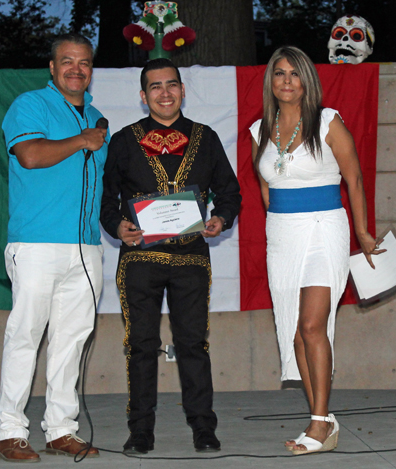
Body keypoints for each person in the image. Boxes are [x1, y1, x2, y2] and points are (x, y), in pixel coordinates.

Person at [101, 58, 241, 454]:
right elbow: (106, 200)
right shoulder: (124, 140)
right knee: (142, 345)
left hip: (192, 258)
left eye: (172, 85)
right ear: (143, 96)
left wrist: (221, 218)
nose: (165, 93)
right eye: (156, 87)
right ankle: (140, 430)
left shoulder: (206, 137)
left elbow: (230, 192)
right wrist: (118, 227)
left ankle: (203, 429)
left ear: (182, 90)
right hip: (140, 260)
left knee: (193, 344)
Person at [250, 46, 385, 455]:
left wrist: (361, 232)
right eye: (279, 73)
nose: (287, 81)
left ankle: (318, 422)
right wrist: (281, 227)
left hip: (325, 228)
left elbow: (355, 178)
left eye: (295, 73)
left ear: (307, 80)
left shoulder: (327, 121)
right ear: (270, 82)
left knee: (312, 326)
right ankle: (323, 419)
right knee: (295, 332)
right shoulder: (259, 130)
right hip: (283, 235)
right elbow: (266, 191)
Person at [0, 33, 109, 463]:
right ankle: (10, 431)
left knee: (72, 341)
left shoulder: (98, 118)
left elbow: (100, 184)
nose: (75, 69)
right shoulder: (30, 105)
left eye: (83, 63)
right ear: (52, 67)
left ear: (91, 70)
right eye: (67, 61)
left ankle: (61, 429)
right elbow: (29, 155)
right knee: (25, 335)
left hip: (86, 247)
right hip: (37, 243)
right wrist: (82, 140)